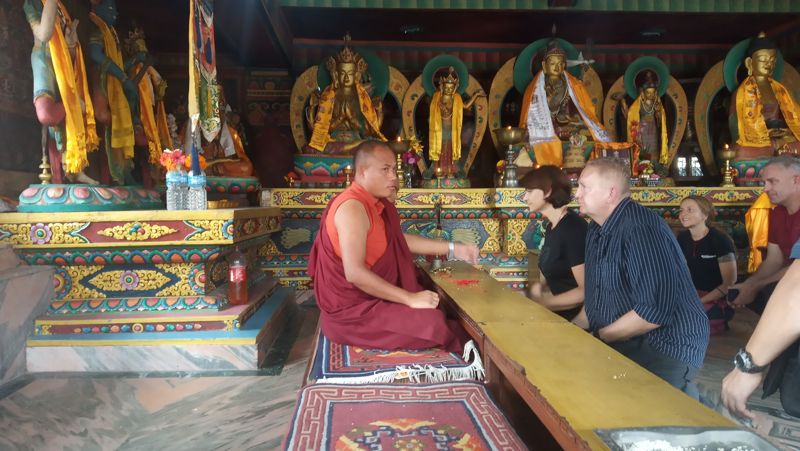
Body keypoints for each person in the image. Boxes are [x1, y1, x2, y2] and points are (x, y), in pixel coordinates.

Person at [308, 141, 479, 352]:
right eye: (385, 170)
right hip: (353, 314)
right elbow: (354, 274)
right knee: (434, 324)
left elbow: (397, 240)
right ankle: (483, 358)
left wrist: (452, 248)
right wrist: (410, 298)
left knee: (436, 304)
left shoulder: (376, 204)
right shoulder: (352, 208)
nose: (394, 177)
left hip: (372, 298)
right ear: (362, 172)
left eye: (394, 170)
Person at [573, 157, 709, 397]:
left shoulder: (641, 229)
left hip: (665, 343)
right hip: (624, 338)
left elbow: (652, 313)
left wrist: (599, 337)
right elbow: (595, 297)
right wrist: (570, 331)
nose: (577, 194)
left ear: (611, 192)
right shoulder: (596, 228)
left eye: (584, 187)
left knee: (658, 421)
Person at [721, 244, 800, 420]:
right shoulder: (777, 218)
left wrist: (747, 366)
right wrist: (752, 284)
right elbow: (774, 260)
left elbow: (797, 287)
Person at [24, 0, 99, 184]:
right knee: (47, 114)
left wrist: (71, 44)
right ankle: (72, 104)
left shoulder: (61, 8)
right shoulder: (31, 4)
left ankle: (74, 168)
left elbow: (67, 50)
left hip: (63, 67)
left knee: (64, 123)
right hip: (44, 59)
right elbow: (43, 35)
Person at [518, 39, 613, 167]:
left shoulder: (574, 85)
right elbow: (530, 117)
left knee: (587, 134)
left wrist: (574, 119)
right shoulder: (534, 89)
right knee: (528, 139)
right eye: (552, 63)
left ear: (565, 65)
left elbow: (583, 110)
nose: (557, 67)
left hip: (567, 127)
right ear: (544, 65)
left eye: (561, 63)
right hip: (544, 127)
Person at [730, 156, 800, 314]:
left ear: (796, 180)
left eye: (772, 181)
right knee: (740, 286)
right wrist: (750, 284)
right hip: (788, 276)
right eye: (764, 182)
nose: (765, 189)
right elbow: (774, 259)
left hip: (796, 279)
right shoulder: (777, 213)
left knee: (771, 291)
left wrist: (757, 286)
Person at [521, 166, 586, 320]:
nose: (525, 197)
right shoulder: (552, 226)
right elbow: (555, 270)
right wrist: (536, 289)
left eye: (529, 191)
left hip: (579, 321)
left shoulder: (573, 228)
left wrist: (543, 303)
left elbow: (585, 292)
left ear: (548, 191)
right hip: (559, 315)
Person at [306, 34, 385, 154]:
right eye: (343, 73)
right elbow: (322, 131)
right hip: (332, 141)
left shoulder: (362, 98)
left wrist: (352, 119)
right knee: (313, 148)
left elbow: (368, 132)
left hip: (357, 141)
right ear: (336, 75)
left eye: (350, 73)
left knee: (370, 145)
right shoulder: (329, 96)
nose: (347, 77)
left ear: (356, 75)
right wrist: (340, 119)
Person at [732, 32, 800, 163]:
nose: (768, 64)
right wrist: (773, 144)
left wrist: (782, 139)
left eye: (772, 60)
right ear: (749, 63)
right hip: (757, 143)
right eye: (763, 60)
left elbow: (793, 119)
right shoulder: (741, 93)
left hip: (781, 138)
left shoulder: (780, 90)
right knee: (740, 152)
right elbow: (734, 126)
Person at [677, 196, 737, 334]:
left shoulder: (719, 240)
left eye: (690, 210)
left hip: (714, 299)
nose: (683, 214)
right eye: (681, 210)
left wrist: (699, 302)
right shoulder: (682, 238)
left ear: (705, 215)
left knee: (689, 324)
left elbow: (729, 283)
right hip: (690, 296)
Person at [427, 66, 483, 178]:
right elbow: (432, 112)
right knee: (440, 148)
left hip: (452, 130)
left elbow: (466, 106)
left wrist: (475, 96)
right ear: (442, 87)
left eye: (451, 88)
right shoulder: (437, 98)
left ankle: (450, 171)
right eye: (446, 87)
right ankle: (439, 171)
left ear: (455, 88)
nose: (448, 90)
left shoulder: (456, 98)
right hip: (439, 129)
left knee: (450, 149)